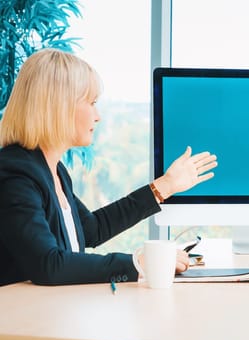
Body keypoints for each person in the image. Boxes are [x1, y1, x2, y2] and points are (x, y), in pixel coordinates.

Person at [0, 48, 218, 286]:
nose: (98, 116)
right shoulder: (16, 174)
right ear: (59, 107)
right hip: (25, 319)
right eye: (91, 103)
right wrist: (139, 263)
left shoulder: (54, 170)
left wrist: (165, 186)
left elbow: (91, 229)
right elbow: (48, 265)